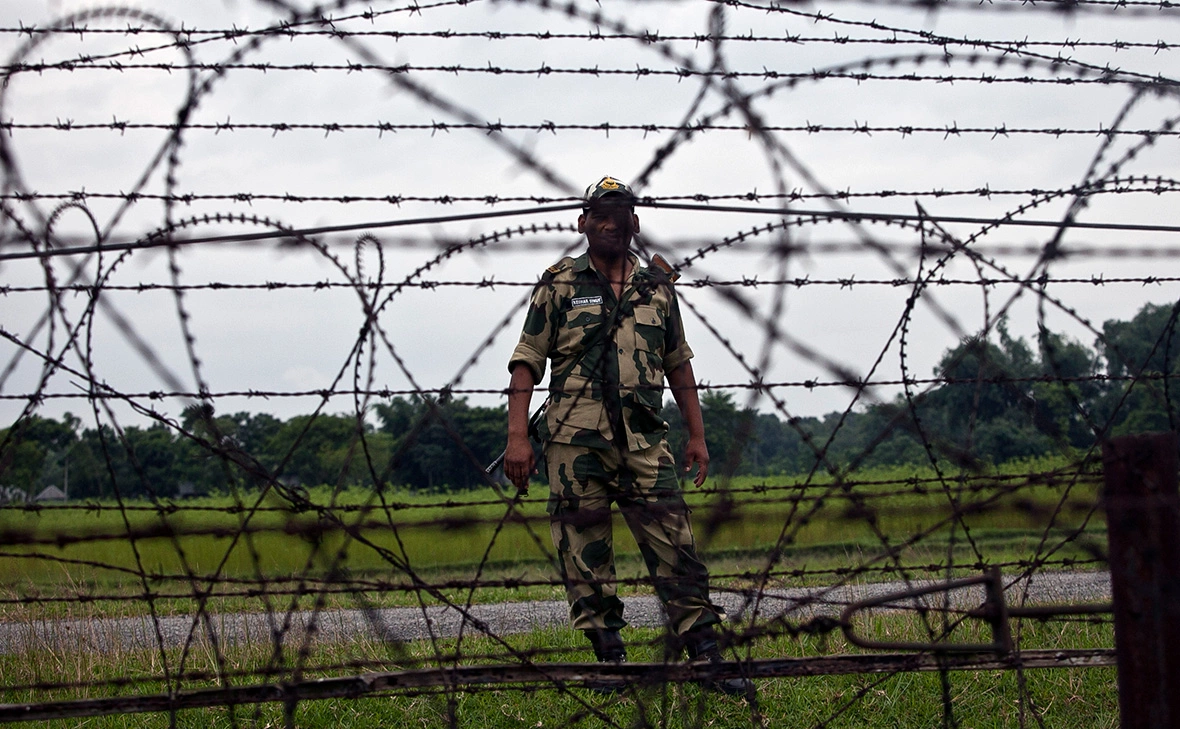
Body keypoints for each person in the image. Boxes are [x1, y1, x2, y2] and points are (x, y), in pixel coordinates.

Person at [503, 176, 751, 696]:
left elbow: (678, 363)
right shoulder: (560, 283)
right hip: (575, 444)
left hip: (644, 440)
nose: (612, 223)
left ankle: (707, 657)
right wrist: (518, 438)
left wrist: (697, 436)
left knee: (676, 548)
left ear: (636, 223)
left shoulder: (656, 289)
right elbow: (526, 362)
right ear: (583, 223)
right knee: (585, 554)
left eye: (621, 214)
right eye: (600, 215)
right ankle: (610, 661)